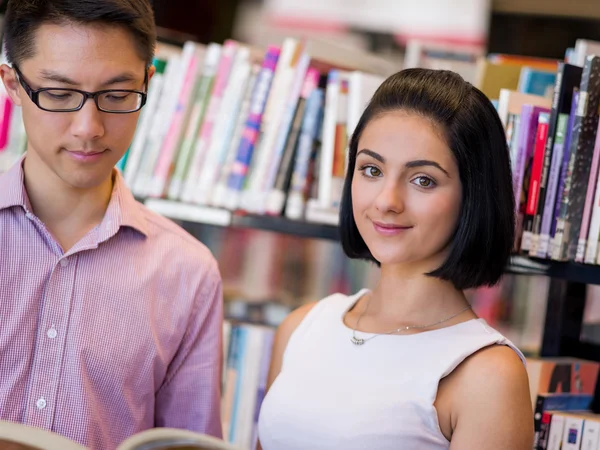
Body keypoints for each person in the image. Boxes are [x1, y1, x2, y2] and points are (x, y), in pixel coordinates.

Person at [257, 68, 534, 449]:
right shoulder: (302, 327)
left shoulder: (487, 373)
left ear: (474, 195)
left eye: (423, 180)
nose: (387, 201)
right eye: (371, 170)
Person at [0, 1, 223, 449]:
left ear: (147, 82)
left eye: (117, 96)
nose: (89, 128)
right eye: (59, 94)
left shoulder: (187, 272)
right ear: (13, 85)